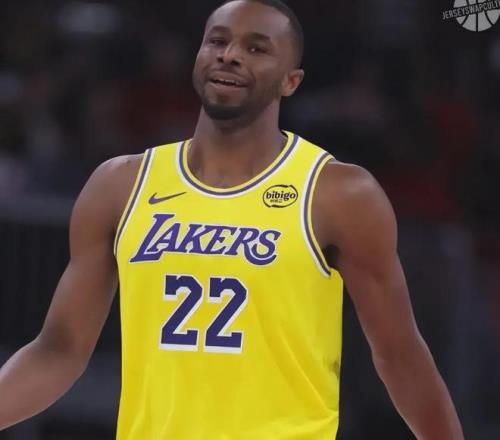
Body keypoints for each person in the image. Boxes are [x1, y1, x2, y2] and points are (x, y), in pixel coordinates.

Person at [0, 0, 464, 438]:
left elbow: (400, 356)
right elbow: (60, 349)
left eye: (257, 48)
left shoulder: (338, 193)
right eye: (217, 41)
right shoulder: (120, 184)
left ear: (291, 81)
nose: (230, 55)